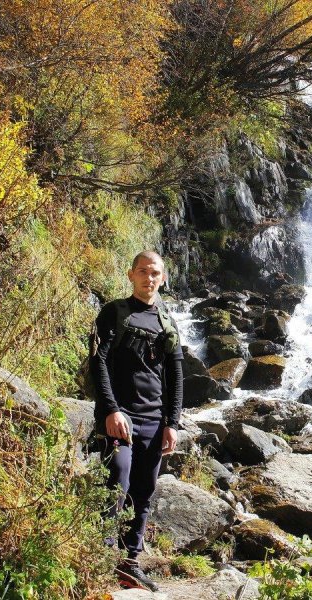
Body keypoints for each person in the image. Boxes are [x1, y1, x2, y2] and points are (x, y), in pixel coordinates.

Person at [91, 250, 184, 592]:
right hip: (119, 416)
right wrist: (111, 409)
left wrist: (172, 423)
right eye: (143, 271)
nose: (149, 277)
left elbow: (175, 375)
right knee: (117, 476)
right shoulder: (113, 313)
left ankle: (130, 562)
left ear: (163, 278)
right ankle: (100, 556)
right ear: (131, 275)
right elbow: (97, 363)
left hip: (154, 419)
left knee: (144, 490)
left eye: (155, 272)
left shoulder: (167, 321)